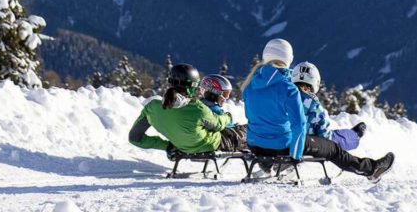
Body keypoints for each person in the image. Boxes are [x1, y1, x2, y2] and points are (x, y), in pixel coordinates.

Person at [242, 38, 394, 182]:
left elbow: (254, 118)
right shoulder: (288, 88)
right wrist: (295, 156)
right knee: (333, 149)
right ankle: (371, 169)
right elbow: (299, 125)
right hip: (283, 146)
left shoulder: (249, 86)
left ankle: (268, 166)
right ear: (288, 59)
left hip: (255, 146)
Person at [128, 64, 247, 155]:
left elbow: (134, 138)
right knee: (246, 131)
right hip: (211, 146)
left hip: (180, 147)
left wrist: (168, 146)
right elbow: (219, 124)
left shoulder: (152, 107)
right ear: (193, 86)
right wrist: (228, 117)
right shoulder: (197, 108)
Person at [291, 61, 367, 151]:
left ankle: (352, 134)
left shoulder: (283, 97)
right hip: (307, 144)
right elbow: (324, 134)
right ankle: (354, 136)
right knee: (335, 138)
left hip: (282, 141)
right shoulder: (313, 104)